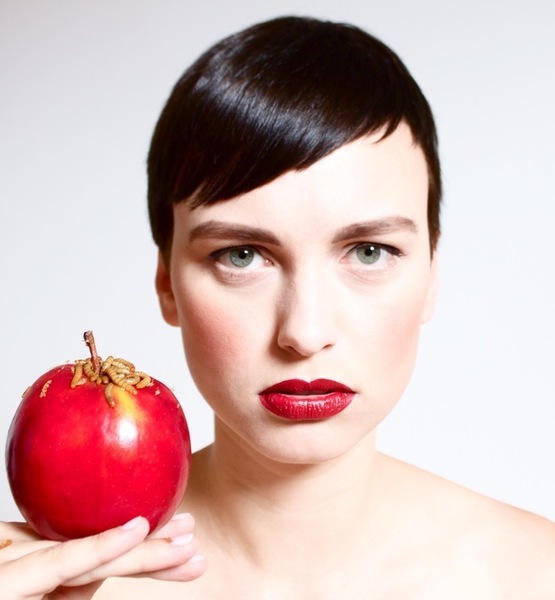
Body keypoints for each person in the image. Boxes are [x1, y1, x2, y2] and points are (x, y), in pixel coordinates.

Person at [1, 15, 554, 599]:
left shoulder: (536, 576)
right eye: (241, 256)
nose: (305, 332)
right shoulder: (53, 586)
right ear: (167, 282)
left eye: (370, 251)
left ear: (432, 273)